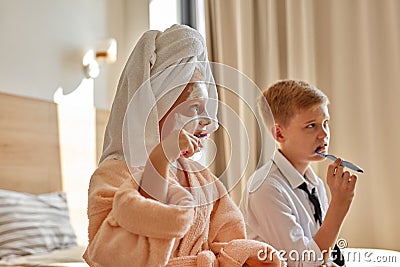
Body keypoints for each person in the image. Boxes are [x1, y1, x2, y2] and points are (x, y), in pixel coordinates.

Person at [83, 24, 285, 267]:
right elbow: (111, 254)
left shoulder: (203, 178)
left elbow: (226, 242)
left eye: (205, 109)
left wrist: (246, 257)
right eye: (194, 108)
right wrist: (159, 160)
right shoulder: (112, 174)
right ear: (156, 107)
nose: (207, 123)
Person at [240, 80, 358, 267]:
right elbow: (302, 262)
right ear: (279, 134)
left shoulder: (315, 183)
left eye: (325, 123)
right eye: (311, 126)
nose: (324, 134)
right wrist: (339, 205)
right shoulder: (265, 188)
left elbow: (320, 251)